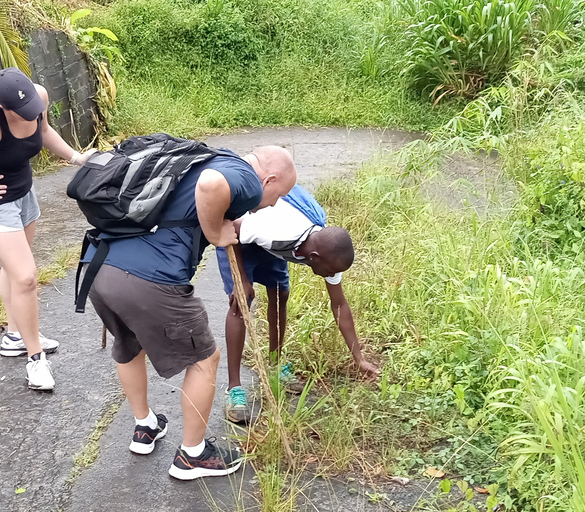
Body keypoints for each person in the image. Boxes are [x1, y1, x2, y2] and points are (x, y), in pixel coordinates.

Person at [84, 145, 295, 480]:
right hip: (147, 281)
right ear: (268, 179)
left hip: (98, 268)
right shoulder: (244, 175)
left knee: (128, 344)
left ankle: (145, 426)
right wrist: (215, 233)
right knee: (204, 360)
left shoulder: (199, 159)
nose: (272, 202)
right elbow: (211, 185)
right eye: (279, 194)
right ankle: (193, 455)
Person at [0, 67, 96, 391]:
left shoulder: (37, 97)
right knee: (26, 277)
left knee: (14, 269)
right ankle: (35, 359)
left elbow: (46, 131)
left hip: (24, 193)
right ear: (4, 107)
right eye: (21, 113)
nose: (31, 115)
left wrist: (76, 157)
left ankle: (14, 335)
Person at [217, 184, 380, 424]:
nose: (330, 276)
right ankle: (235, 389)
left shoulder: (326, 250)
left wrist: (359, 358)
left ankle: (276, 363)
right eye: (329, 271)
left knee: (281, 293)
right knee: (241, 302)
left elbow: (340, 306)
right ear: (313, 258)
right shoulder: (276, 230)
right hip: (236, 233)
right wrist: (241, 279)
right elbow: (231, 228)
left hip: (271, 242)